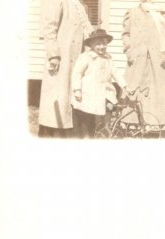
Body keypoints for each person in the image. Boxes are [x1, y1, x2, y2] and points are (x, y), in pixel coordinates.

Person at [122, 0, 165, 138]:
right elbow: (126, 34)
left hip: (155, 59)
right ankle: (132, 123)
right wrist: (129, 51)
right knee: (135, 88)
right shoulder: (132, 12)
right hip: (136, 58)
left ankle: (153, 124)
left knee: (154, 91)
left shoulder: (160, 13)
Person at [38, 0, 93, 137]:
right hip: (62, 59)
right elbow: (49, 28)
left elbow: (87, 34)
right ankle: (52, 136)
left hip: (77, 60)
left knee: (72, 101)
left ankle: (69, 136)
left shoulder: (82, 6)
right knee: (58, 100)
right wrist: (54, 55)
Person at [71, 29, 129, 138]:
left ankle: (104, 134)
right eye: (98, 44)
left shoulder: (108, 58)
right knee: (87, 119)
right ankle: (88, 137)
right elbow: (77, 73)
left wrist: (124, 85)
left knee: (107, 114)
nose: (101, 47)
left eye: (104, 43)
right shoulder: (86, 57)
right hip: (89, 94)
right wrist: (77, 89)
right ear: (91, 45)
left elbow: (115, 72)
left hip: (106, 93)